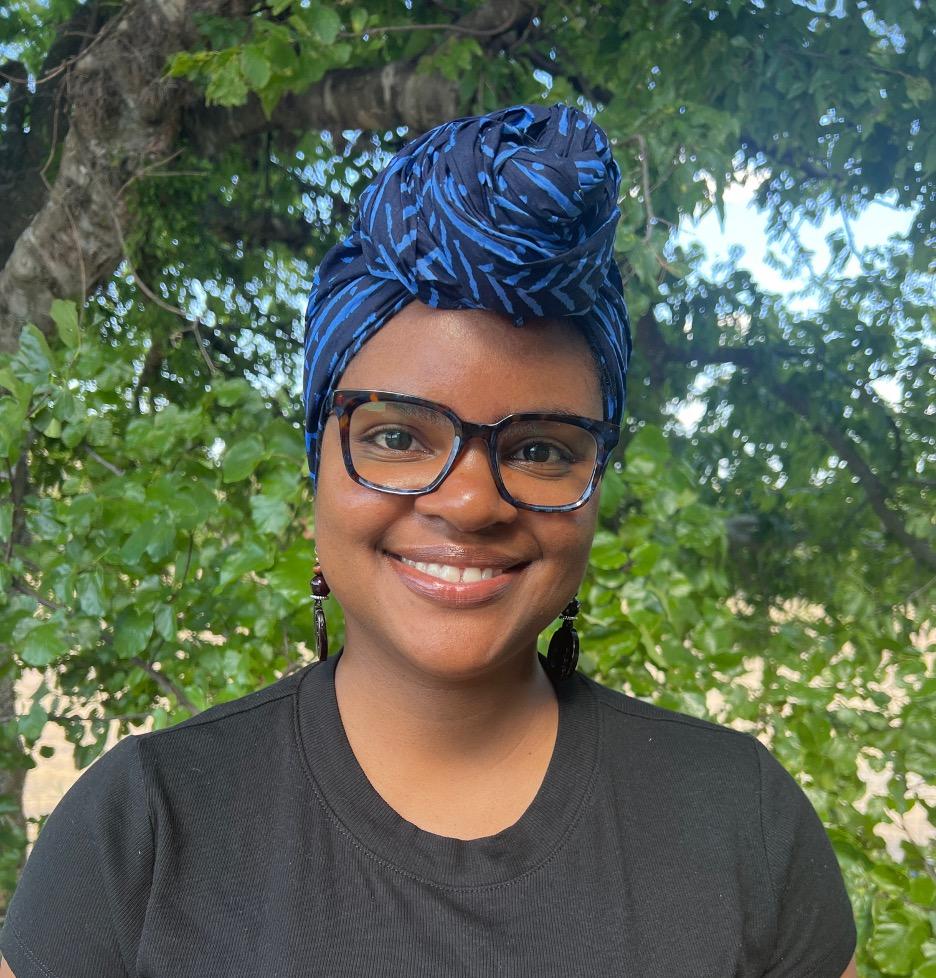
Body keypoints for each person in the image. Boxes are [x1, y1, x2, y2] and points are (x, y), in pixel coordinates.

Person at [0, 103, 858, 978]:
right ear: (317, 467)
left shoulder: (740, 822)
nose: (470, 501)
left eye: (539, 448)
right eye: (399, 437)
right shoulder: (142, 833)